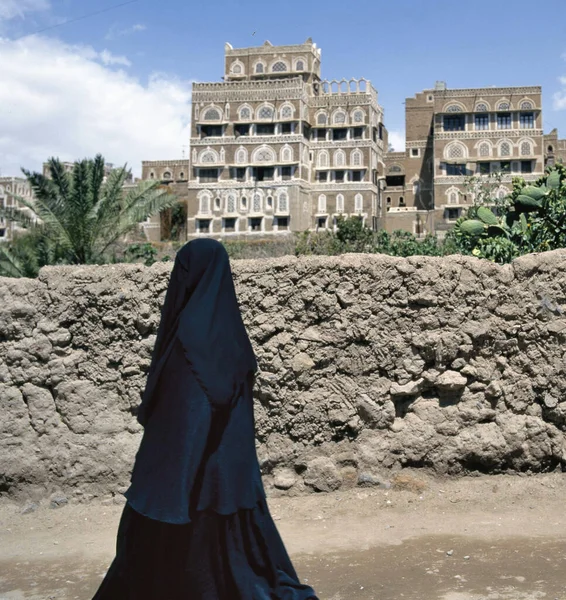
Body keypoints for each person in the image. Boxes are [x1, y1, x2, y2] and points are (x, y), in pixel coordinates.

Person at [92, 238, 318, 600]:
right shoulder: (231, 336)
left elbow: (186, 422)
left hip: (192, 489)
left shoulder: (187, 345)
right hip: (233, 484)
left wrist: (168, 488)